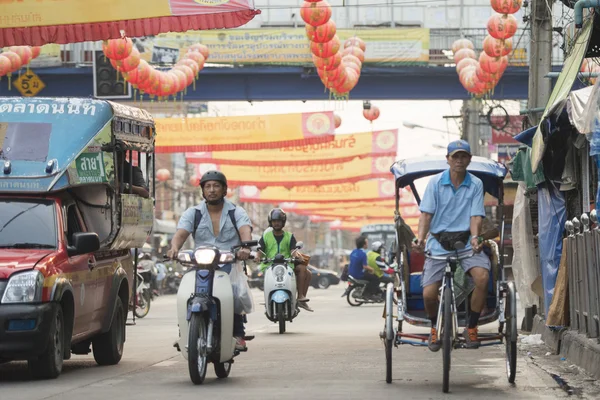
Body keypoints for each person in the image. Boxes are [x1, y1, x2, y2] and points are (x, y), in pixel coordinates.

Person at [412, 140, 490, 351]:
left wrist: (475, 238)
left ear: (469, 159)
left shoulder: (475, 184)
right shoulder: (435, 183)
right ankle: (434, 327)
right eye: (455, 156)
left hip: (465, 243)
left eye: (463, 156)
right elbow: (426, 215)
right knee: (429, 294)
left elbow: (476, 216)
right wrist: (420, 238)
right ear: (448, 159)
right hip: (438, 243)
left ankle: (471, 327)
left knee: (482, 277)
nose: (459, 160)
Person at [167, 170, 253, 350]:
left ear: (224, 190)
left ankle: (238, 333)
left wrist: (245, 247)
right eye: (208, 187)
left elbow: (245, 230)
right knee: (186, 293)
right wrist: (174, 247)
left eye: (216, 186)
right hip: (200, 262)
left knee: (235, 292)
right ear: (203, 191)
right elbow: (180, 234)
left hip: (228, 262)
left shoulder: (236, 212)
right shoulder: (193, 213)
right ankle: (185, 333)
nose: (212, 190)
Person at [258, 208, 313, 312]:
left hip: (287, 265)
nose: (276, 223)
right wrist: (257, 256)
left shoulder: (289, 236)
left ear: (283, 222)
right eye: (274, 221)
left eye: (279, 221)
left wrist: (297, 255)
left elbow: (293, 250)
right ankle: (267, 298)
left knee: (306, 271)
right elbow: (260, 250)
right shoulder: (266, 236)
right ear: (271, 222)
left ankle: (301, 297)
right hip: (269, 266)